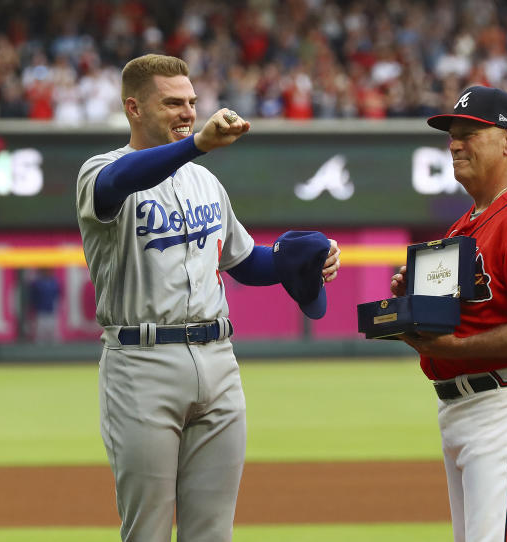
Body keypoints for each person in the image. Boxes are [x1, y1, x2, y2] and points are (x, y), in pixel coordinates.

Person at [75, 54, 340, 542]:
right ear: (133, 108)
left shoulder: (205, 183)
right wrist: (196, 145)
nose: (187, 112)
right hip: (142, 363)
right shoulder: (100, 171)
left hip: (218, 360)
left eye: (192, 102)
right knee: (147, 532)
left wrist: (300, 262)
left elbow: (244, 263)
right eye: (172, 102)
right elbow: (123, 181)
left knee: (213, 534)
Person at [390, 86, 507, 542]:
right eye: (452, 134)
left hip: (505, 401)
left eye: (470, 132)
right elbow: (461, 316)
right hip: (462, 406)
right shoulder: (466, 224)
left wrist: (458, 347)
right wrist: (414, 307)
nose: (455, 143)